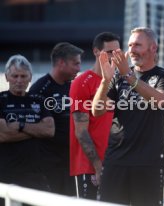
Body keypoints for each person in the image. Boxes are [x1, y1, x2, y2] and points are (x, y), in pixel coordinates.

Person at [92, 27, 164, 206]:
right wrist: (106, 81)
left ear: (153, 48)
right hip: (116, 160)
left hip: (148, 162)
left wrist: (129, 76)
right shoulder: (119, 76)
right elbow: (96, 110)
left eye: (137, 45)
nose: (132, 50)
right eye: (130, 45)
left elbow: (160, 101)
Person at [69, 32, 120, 199]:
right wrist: (98, 167)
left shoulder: (119, 82)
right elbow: (81, 131)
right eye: (110, 52)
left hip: (115, 164)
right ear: (97, 52)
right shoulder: (82, 82)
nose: (114, 56)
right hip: (90, 167)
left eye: (117, 51)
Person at [29, 42, 83, 196]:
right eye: (75, 63)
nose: (79, 68)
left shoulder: (73, 86)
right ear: (61, 63)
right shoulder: (39, 89)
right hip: (47, 166)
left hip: (70, 163)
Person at [0, 54, 55, 190]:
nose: (19, 80)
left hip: (35, 176)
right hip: (6, 175)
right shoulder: (1, 100)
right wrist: (36, 130)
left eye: (23, 76)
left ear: (30, 77)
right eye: (15, 76)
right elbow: (3, 135)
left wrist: (20, 125)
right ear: (7, 77)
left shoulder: (38, 100)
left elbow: (49, 131)